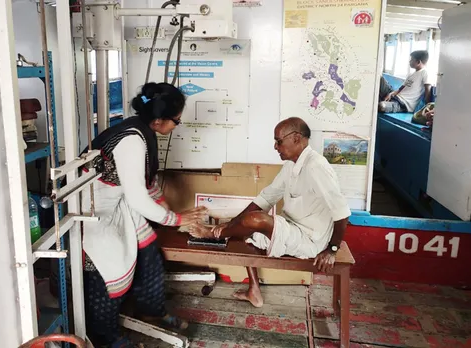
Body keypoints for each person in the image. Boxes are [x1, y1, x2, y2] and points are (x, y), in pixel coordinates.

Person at [81, 82, 207, 348]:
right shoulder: (131, 140)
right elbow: (138, 197)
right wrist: (176, 220)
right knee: (105, 271)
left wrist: (172, 215)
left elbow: (147, 185)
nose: (176, 125)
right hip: (90, 212)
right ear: (159, 120)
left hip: (118, 204)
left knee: (149, 251)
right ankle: (108, 337)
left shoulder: (143, 130)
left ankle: (152, 308)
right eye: (177, 121)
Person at [188, 117, 351, 308]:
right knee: (243, 226)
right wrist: (231, 223)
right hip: (292, 228)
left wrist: (332, 250)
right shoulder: (291, 165)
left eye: (279, 141)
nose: (275, 146)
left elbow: (342, 212)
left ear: (296, 138)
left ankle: (213, 235)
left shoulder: (316, 166)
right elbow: (265, 199)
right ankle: (254, 291)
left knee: (253, 220)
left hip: (310, 240)